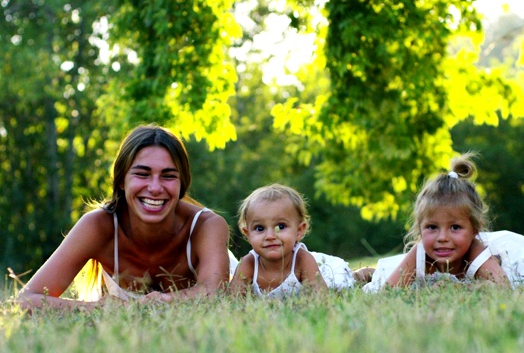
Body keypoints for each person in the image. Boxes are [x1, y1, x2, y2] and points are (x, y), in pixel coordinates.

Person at [17, 124, 237, 310]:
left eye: (168, 176)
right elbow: (28, 299)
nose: (155, 187)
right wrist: (95, 309)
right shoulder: (98, 225)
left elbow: (213, 294)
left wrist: (163, 300)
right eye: (142, 174)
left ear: (182, 184)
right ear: (121, 181)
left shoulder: (207, 225)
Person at [364, 153, 524, 292]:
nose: (442, 237)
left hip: (510, 257)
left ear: (473, 230)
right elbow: (389, 292)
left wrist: (463, 291)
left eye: (455, 227)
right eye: (432, 227)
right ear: (420, 229)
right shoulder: (421, 251)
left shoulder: (476, 250)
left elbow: (501, 287)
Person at [229, 184, 359, 298]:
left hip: (325, 272)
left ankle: (362, 274)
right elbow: (233, 299)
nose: (270, 236)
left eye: (280, 226)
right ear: (248, 234)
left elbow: (321, 297)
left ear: (299, 230)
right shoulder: (249, 263)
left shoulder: (302, 259)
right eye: (260, 228)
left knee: (344, 284)